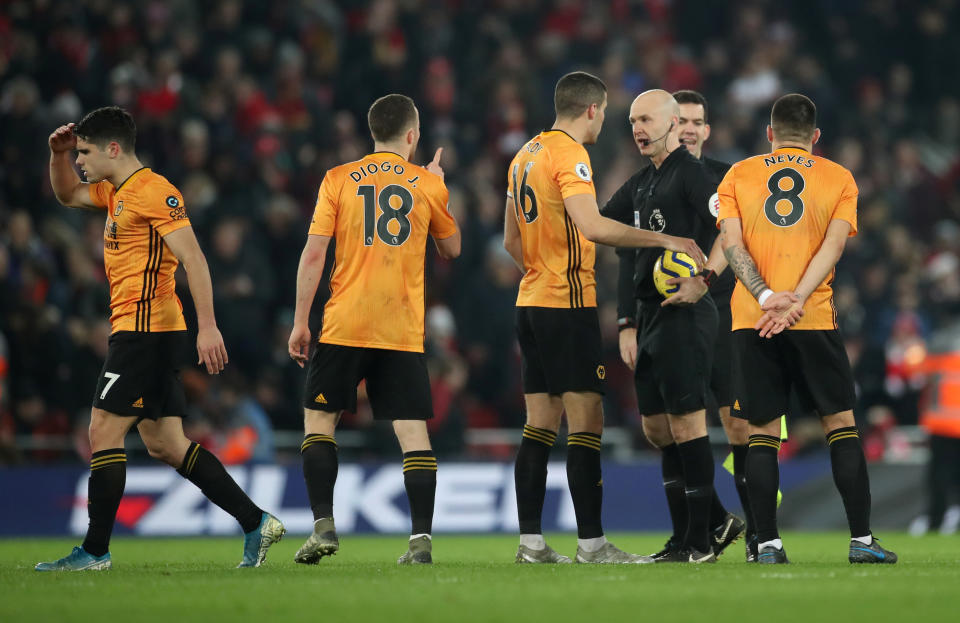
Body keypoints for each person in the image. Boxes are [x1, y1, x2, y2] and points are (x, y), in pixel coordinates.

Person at [36, 107, 284, 572]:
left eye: (85, 152)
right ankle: (256, 522)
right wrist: (58, 154)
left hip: (144, 330)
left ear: (113, 149)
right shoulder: (116, 194)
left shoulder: (155, 192)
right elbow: (68, 193)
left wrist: (208, 326)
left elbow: (195, 259)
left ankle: (94, 551)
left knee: (103, 430)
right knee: (167, 443)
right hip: (145, 329)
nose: (80, 161)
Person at [503, 72, 706, 564]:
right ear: (592, 110)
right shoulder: (571, 153)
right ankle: (592, 545)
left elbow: (511, 240)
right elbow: (592, 226)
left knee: (538, 426)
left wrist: (540, 270)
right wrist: (667, 240)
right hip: (565, 303)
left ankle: (531, 544)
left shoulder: (524, 154)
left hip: (529, 302)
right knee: (587, 423)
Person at [717, 93, 897, 564]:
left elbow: (732, 246)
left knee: (761, 432)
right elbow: (833, 248)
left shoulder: (738, 174)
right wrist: (796, 299)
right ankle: (861, 540)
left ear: (769, 134)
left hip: (752, 317)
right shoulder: (840, 178)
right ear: (815, 137)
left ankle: (769, 545)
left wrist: (766, 298)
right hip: (812, 316)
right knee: (840, 424)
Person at [288, 94, 460, 566]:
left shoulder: (338, 179)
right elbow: (452, 248)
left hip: (344, 321)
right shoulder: (426, 184)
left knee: (320, 424)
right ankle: (420, 541)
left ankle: (323, 525)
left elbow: (313, 255)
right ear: (412, 135)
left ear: (373, 133)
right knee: (413, 434)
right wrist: (439, 186)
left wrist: (302, 320)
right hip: (400, 327)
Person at [610, 89, 757, 562]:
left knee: (690, 424)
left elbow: (728, 230)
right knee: (657, 429)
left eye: (647, 118)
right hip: (651, 315)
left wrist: (705, 277)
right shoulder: (642, 181)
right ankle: (709, 525)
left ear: (673, 124)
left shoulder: (693, 175)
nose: (638, 127)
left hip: (688, 313)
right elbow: (599, 225)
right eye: (633, 119)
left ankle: (699, 543)